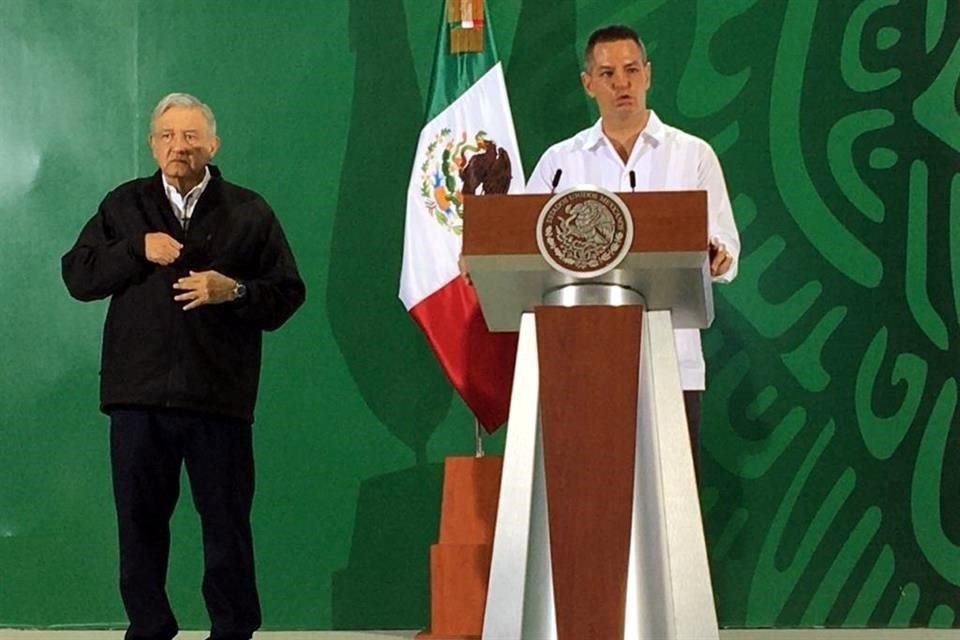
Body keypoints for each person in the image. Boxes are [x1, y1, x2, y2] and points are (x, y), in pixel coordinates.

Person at [62, 92, 306, 640]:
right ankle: (149, 628)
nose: (179, 147)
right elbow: (78, 276)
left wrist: (233, 289)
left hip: (217, 396)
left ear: (212, 145)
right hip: (137, 396)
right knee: (140, 526)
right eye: (168, 136)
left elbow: (287, 292)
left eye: (191, 137)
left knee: (226, 527)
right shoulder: (123, 207)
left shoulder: (249, 210)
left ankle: (232, 629)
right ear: (153, 144)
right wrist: (135, 250)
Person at [525, 25, 741, 471]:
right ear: (589, 85)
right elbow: (524, 243)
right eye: (607, 73)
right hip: (581, 361)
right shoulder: (560, 163)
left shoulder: (692, 155)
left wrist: (715, 257)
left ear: (648, 75)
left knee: (671, 504)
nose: (621, 83)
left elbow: (727, 249)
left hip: (670, 359)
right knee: (587, 501)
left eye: (630, 70)